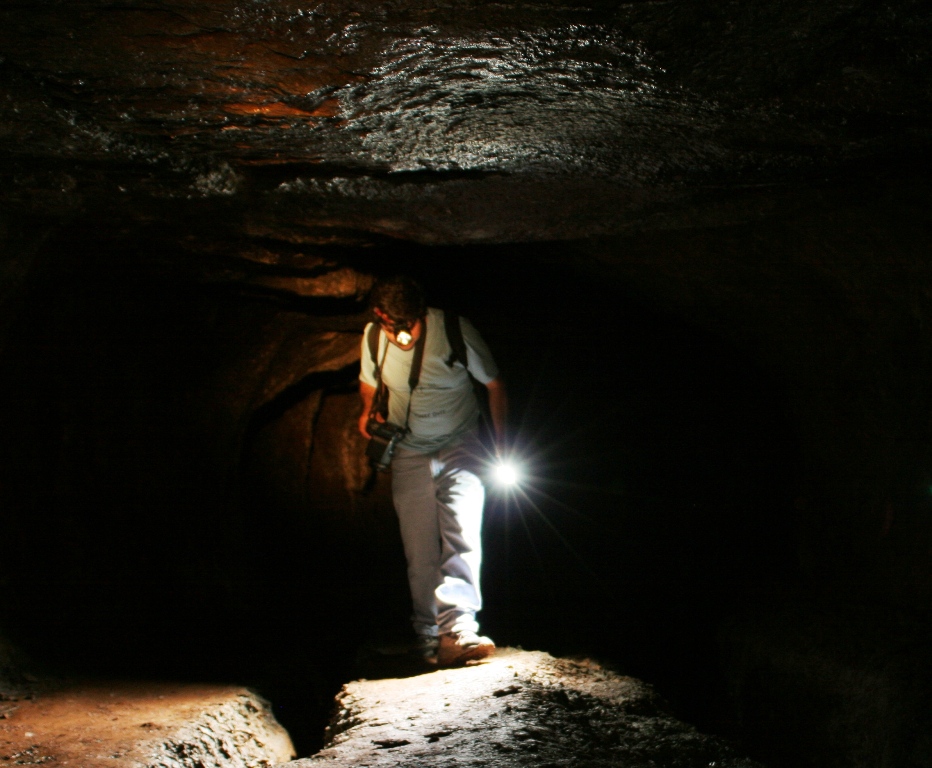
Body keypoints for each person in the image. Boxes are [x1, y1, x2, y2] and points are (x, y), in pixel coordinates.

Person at [358, 276, 507, 666]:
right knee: (418, 546)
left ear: (422, 311)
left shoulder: (454, 330)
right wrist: (368, 410)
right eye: (396, 325)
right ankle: (426, 634)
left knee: (461, 531)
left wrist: (501, 441)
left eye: (412, 322)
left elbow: (493, 384)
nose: (404, 333)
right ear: (380, 315)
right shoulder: (374, 336)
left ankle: (457, 629)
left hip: (460, 444)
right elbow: (368, 381)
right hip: (408, 450)